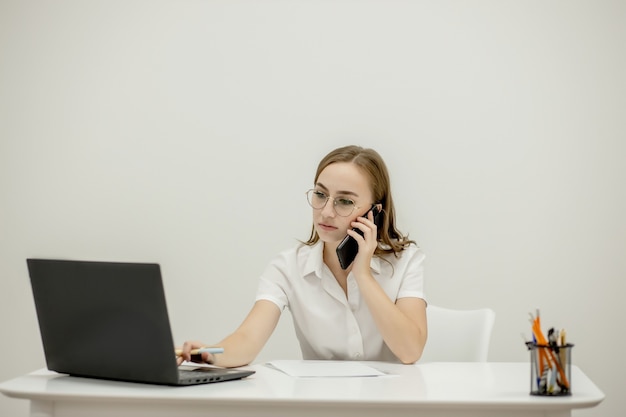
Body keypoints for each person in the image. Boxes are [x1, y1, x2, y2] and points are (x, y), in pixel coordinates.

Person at [178, 145, 427, 367]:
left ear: (375, 211)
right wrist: (209, 354)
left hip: (390, 404)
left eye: (344, 201)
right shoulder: (288, 267)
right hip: (320, 404)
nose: (326, 212)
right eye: (320, 195)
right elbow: (247, 339)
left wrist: (363, 275)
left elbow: (410, 351)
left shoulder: (406, 261)